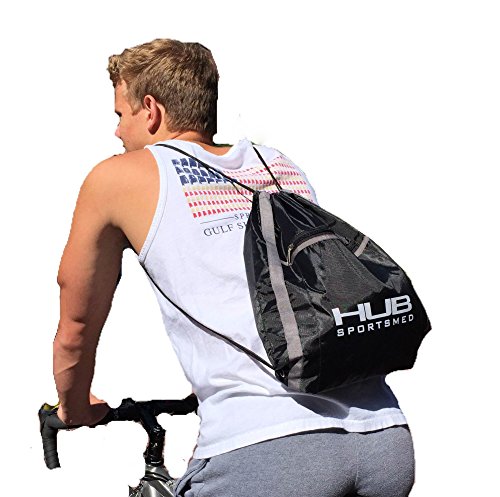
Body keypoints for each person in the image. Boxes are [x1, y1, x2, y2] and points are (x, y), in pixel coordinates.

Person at [53, 38, 415, 497]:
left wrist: (74, 406)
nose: (117, 132)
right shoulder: (277, 165)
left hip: (267, 452)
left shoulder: (118, 177)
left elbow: (77, 325)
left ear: (151, 111)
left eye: (121, 115)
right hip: (384, 436)